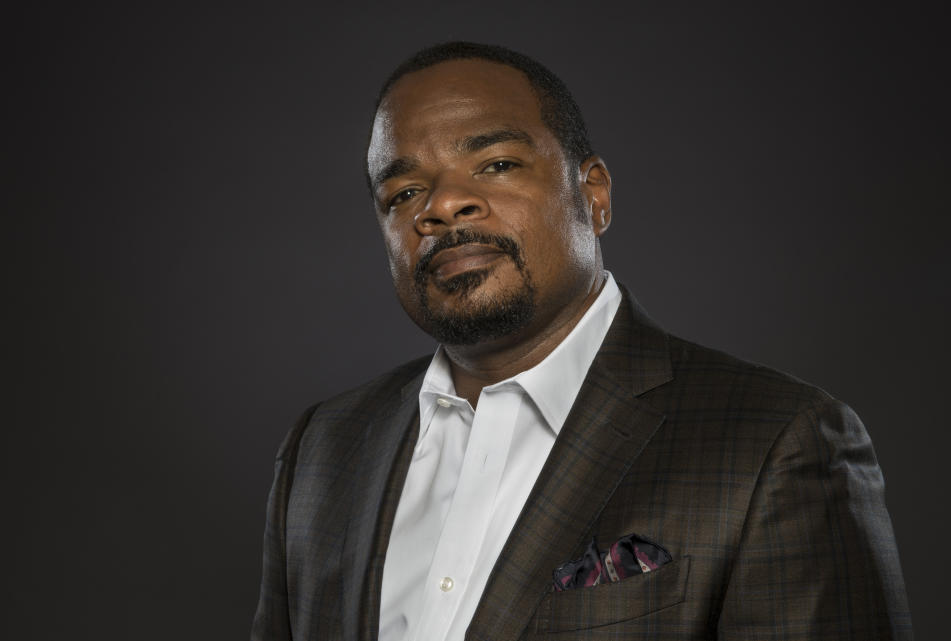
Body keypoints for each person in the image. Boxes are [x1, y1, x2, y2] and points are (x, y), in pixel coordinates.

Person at [251, 41, 911, 641]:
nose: (443, 205)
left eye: (496, 163)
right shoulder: (322, 450)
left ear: (593, 193)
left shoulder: (777, 442)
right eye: (403, 193)